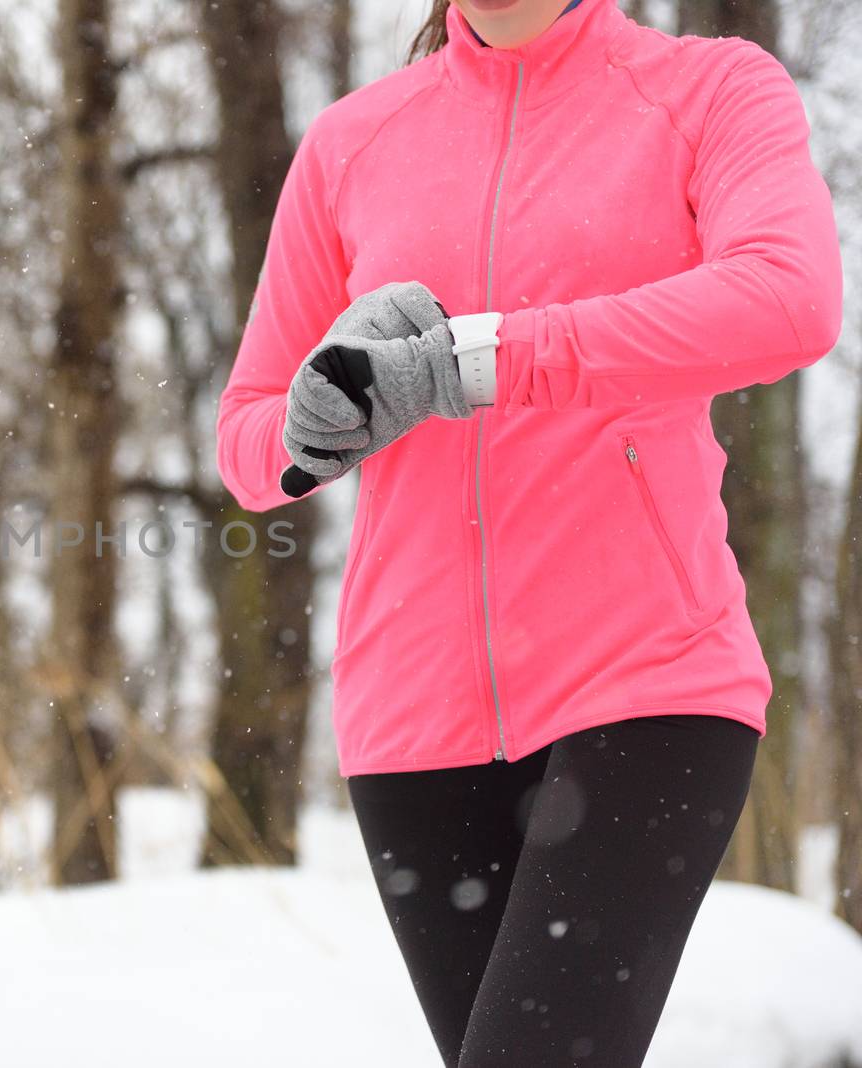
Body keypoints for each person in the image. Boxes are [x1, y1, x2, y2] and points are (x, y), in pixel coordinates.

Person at [213, 0, 843, 1064]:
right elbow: (247, 443)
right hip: (411, 717)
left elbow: (788, 298)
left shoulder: (709, 92)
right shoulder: (352, 144)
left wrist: (490, 356)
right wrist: (316, 419)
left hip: (648, 684)